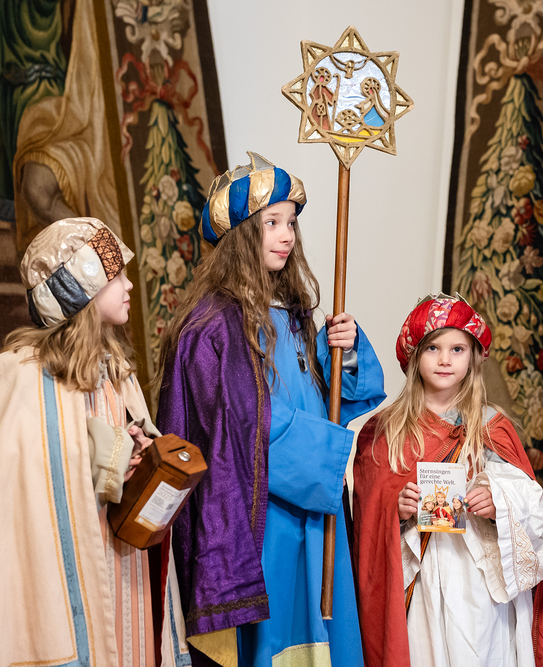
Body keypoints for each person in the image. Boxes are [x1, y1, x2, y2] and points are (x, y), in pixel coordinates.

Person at [157, 152, 385, 667]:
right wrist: (324, 457)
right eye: (272, 223)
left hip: (314, 506)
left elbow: (337, 398)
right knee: (278, 631)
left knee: (323, 629)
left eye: (292, 223)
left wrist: (345, 349)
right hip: (263, 510)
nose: (287, 236)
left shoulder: (294, 313)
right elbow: (236, 426)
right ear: (242, 235)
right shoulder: (213, 325)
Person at [0, 217, 189, 666]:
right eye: (115, 277)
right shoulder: (21, 377)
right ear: (81, 288)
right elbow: (22, 486)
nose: (129, 286)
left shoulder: (116, 370)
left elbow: (120, 448)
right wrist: (111, 452)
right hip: (67, 566)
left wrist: (142, 452)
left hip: (123, 564)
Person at [352, 295, 543, 667]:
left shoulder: (491, 426)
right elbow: (367, 515)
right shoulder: (385, 431)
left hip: (477, 584)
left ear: (474, 356)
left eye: (457, 349)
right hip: (419, 581)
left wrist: (497, 499)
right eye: (433, 348)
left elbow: (530, 501)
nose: (445, 359)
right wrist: (395, 508)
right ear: (414, 355)